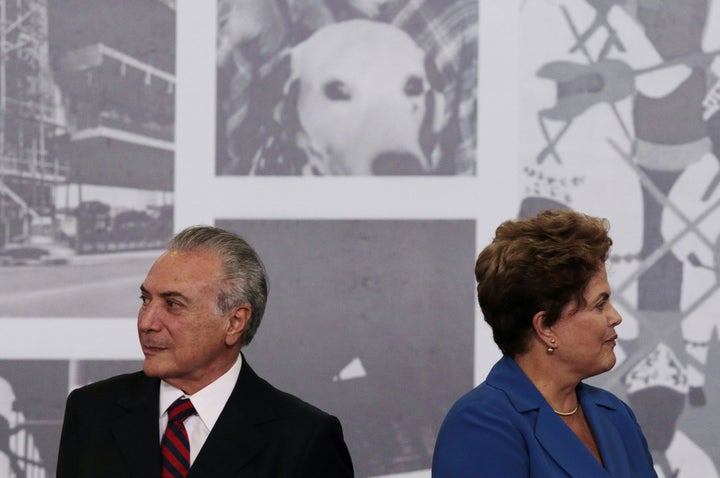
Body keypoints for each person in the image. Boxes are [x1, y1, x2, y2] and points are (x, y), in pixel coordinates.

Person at [56, 225, 354, 477]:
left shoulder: (304, 438)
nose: (146, 322)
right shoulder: (91, 411)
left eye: (172, 304)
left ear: (234, 322)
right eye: (145, 300)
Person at [432, 209, 658, 477]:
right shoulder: (481, 425)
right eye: (600, 304)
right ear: (546, 327)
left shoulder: (616, 415)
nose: (615, 317)